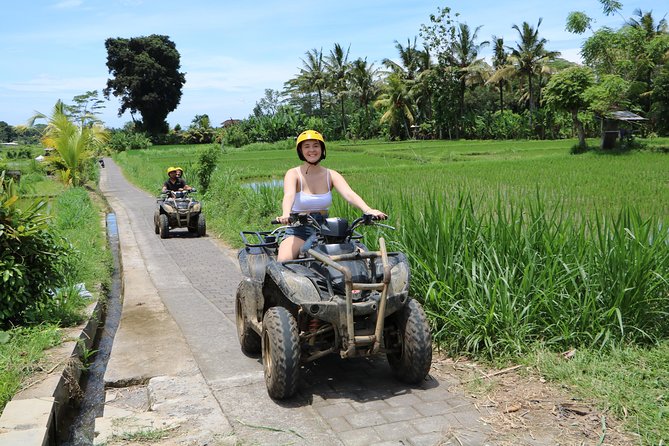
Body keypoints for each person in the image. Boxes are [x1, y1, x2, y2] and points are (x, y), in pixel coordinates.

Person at [276, 129, 387, 261]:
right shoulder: (293, 174)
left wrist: (368, 210)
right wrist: (286, 214)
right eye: (307, 146)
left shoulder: (331, 174)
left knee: (364, 258)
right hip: (298, 231)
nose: (312, 150)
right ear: (300, 150)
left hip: (327, 230)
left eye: (316, 145)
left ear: (322, 149)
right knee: (283, 262)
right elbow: (289, 195)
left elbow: (349, 194)